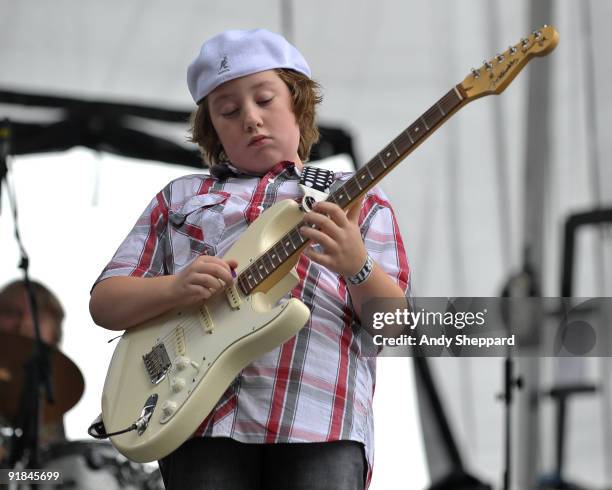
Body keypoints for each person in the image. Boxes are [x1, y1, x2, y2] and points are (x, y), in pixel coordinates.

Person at [89, 28, 410, 489]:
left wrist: (357, 264)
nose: (251, 119)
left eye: (265, 100)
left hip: (318, 421)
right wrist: (175, 288)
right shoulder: (181, 196)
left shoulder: (357, 197)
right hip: (198, 420)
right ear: (212, 129)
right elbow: (105, 303)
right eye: (228, 111)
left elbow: (395, 325)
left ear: (299, 105)